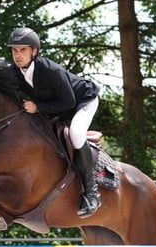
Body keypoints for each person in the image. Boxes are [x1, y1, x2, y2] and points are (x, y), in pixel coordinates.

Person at [7, 26, 102, 218]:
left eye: (22, 50)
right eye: (14, 50)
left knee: (75, 134)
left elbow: (69, 102)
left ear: (34, 51)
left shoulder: (51, 70)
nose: (17, 55)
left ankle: (92, 194)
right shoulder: (16, 72)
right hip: (58, 106)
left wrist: (38, 108)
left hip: (83, 101)